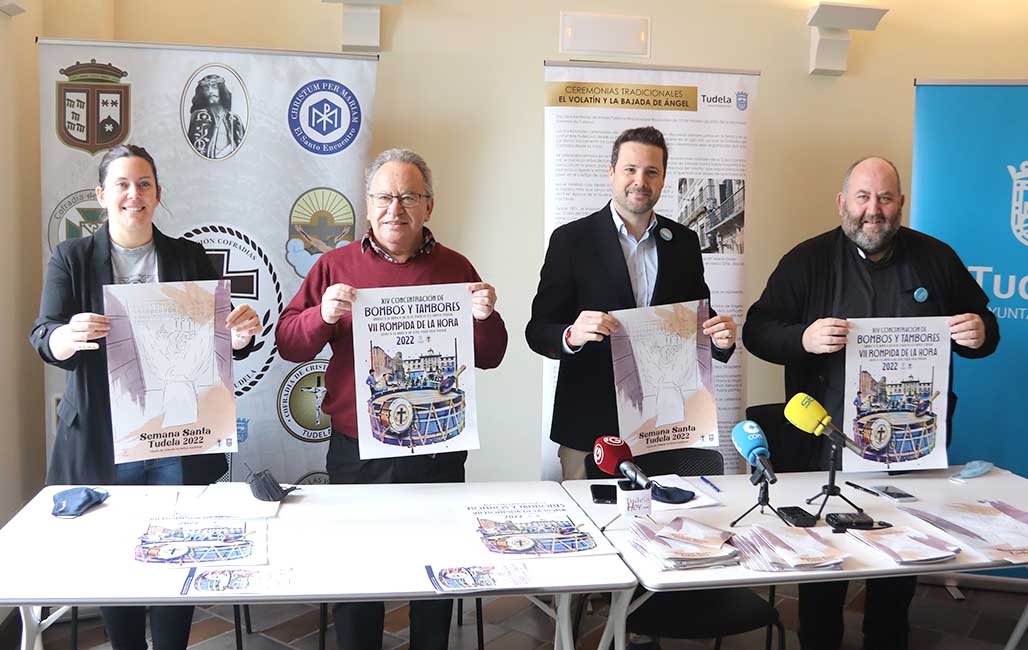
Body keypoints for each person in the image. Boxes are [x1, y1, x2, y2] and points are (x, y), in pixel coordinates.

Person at [743, 155, 999, 650]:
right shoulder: (807, 260)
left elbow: (986, 330)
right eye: (862, 197)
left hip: (910, 452)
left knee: (897, 576)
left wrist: (979, 331)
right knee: (821, 581)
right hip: (822, 450)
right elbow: (757, 331)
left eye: (884, 198)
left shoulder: (937, 258)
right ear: (843, 203)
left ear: (900, 203)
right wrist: (803, 338)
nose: (873, 210)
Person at [30, 144, 262, 650]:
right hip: (104, 434)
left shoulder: (188, 255)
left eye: (144, 184)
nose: (133, 194)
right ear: (101, 195)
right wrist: (66, 335)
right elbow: (44, 334)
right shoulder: (72, 257)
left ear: (158, 194)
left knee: (178, 548)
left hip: (177, 432)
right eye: (122, 184)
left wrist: (238, 337)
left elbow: (215, 340)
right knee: (117, 556)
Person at [275, 148, 508, 650]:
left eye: (408, 196)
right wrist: (322, 315)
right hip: (359, 450)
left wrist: (485, 316)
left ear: (430, 205)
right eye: (384, 196)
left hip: (437, 448)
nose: (394, 208)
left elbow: (490, 356)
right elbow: (289, 342)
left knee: (436, 576)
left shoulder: (456, 266)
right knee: (359, 577)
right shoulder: (334, 265)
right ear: (367, 203)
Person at [526, 126, 738, 482]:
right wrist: (572, 334)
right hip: (590, 427)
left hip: (664, 427)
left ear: (663, 178)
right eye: (630, 169)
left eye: (651, 172)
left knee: (664, 529)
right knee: (591, 528)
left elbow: (696, 318)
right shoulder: (571, 240)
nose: (640, 180)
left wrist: (721, 339)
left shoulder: (683, 242)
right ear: (612, 173)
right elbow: (538, 330)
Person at [187, 74, 245, 159]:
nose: (210, 91)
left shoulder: (235, 120)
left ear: (221, 89)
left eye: (214, 86)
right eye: (206, 88)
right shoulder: (198, 117)